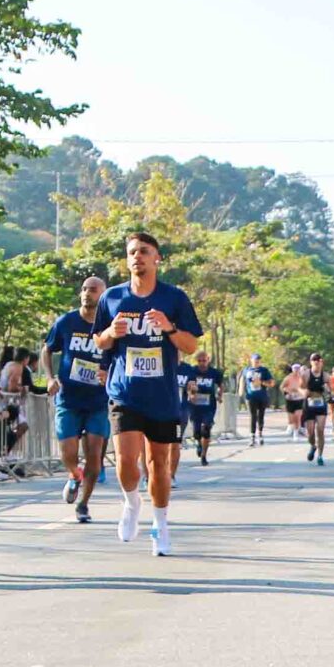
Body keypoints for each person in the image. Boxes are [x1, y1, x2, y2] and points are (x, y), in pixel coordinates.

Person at [98, 232, 202, 554]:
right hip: (125, 392)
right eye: (132, 252)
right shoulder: (113, 298)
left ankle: (160, 523)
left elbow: (191, 345)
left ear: (157, 258)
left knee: (159, 463)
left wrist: (169, 328)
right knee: (126, 459)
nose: (137, 257)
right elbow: (99, 341)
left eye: (144, 251)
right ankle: (131, 502)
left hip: (162, 395)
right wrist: (110, 332)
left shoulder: (174, 298)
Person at [45, 276, 111, 523]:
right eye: (84, 289)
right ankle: (74, 475)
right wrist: (50, 378)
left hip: (98, 401)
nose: (86, 293)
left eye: (92, 290)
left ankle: (83, 504)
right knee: (69, 453)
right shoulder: (67, 322)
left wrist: (110, 375)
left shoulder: (110, 326)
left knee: (94, 456)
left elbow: (121, 356)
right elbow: (47, 349)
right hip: (69, 400)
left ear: (102, 296)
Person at [183, 350, 223, 467]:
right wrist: (191, 394)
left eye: (204, 360)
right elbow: (188, 385)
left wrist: (219, 394)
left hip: (209, 404)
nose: (202, 363)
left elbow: (220, 385)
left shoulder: (214, 372)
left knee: (206, 429)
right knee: (196, 432)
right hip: (195, 405)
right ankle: (198, 443)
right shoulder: (192, 371)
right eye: (199, 361)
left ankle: (204, 456)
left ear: (208, 360)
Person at [300, 353, 331, 464]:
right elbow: (300, 387)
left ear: (321, 362)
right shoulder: (306, 374)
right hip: (309, 404)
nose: (316, 362)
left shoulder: (326, 376)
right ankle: (313, 446)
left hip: (321, 404)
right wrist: (304, 392)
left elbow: (331, 391)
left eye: (318, 359)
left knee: (320, 430)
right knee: (310, 432)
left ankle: (320, 456)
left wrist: (328, 391)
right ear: (311, 362)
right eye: (314, 359)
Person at [240, 353, 273, 444]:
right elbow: (242, 380)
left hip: (262, 396)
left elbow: (271, 383)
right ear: (251, 360)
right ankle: (252, 436)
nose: (256, 362)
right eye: (255, 360)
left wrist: (261, 382)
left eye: (258, 360)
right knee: (252, 416)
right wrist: (240, 392)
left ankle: (260, 434)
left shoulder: (264, 370)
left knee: (260, 416)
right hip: (250, 396)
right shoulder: (246, 370)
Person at [280, 362, 307, 439]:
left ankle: (296, 433)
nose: (296, 371)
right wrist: (287, 392)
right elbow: (282, 387)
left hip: (299, 399)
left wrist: (303, 392)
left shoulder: (302, 378)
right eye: (295, 369)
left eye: (298, 369)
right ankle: (291, 426)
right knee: (291, 418)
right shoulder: (288, 378)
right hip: (290, 399)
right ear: (292, 370)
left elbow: (306, 387)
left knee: (298, 416)